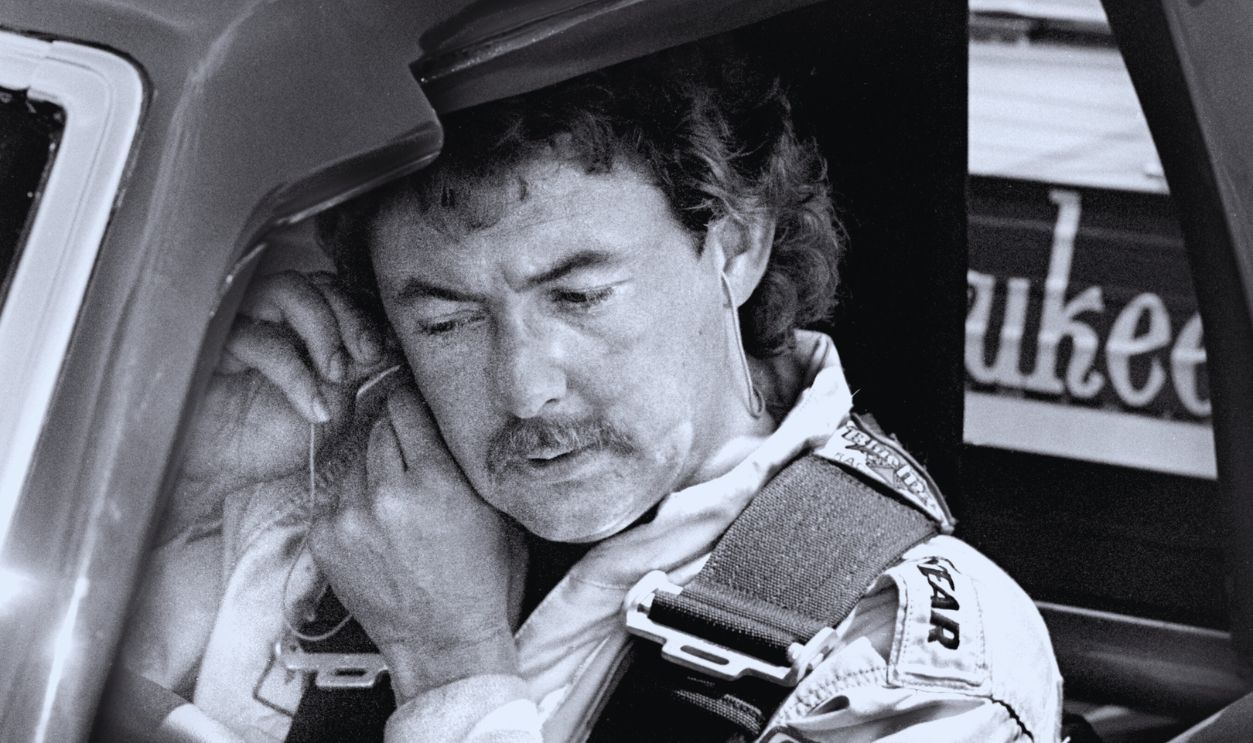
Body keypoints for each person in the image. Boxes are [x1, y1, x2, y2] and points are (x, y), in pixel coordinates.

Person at [118, 41, 1062, 743]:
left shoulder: (904, 655)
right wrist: (147, 483)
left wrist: (451, 673)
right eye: (447, 321)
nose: (525, 387)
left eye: (577, 295)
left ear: (734, 245)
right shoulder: (309, 502)